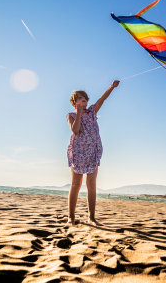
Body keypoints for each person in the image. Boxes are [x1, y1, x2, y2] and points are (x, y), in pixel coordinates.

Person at [66, 80, 119, 225]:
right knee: (76, 184)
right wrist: (77, 113)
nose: (84, 99)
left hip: (92, 151)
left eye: (85, 98)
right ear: (74, 102)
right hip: (78, 151)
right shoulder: (71, 115)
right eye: (79, 98)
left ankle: (92, 218)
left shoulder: (92, 111)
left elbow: (103, 98)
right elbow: (75, 130)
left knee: (92, 184)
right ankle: (71, 217)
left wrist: (111, 87)